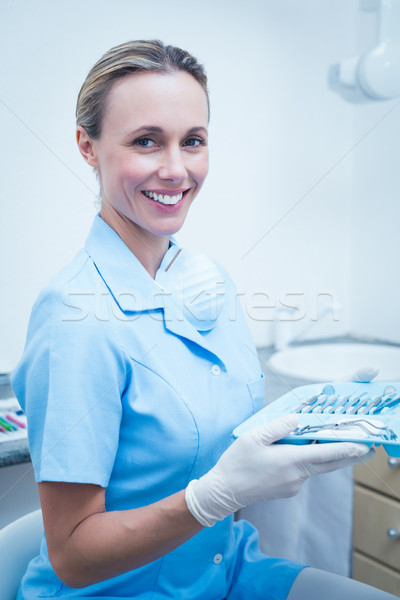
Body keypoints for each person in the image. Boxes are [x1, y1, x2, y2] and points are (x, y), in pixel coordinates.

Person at [11, 40, 396, 600]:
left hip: (224, 568)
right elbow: (72, 555)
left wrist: (321, 422)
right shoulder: (74, 318)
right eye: (146, 141)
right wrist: (209, 499)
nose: (175, 169)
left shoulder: (204, 278)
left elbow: (221, 434)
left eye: (192, 141)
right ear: (87, 148)